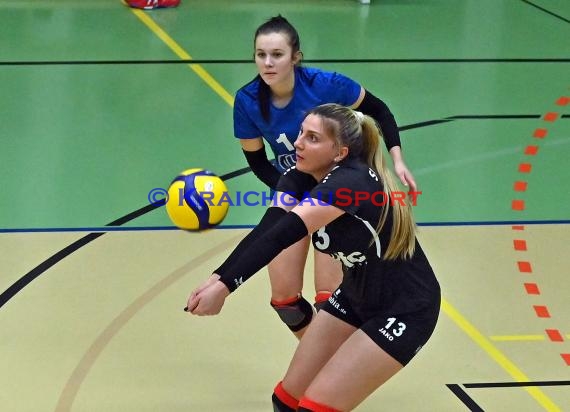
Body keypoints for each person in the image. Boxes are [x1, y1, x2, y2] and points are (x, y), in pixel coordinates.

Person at [186, 103, 440, 411]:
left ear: (340, 153)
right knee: (285, 400)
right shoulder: (300, 175)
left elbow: (283, 235)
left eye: (313, 138)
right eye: (301, 133)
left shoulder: (350, 185)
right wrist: (218, 279)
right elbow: (268, 229)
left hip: (405, 309)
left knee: (314, 408)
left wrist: (225, 289)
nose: (298, 143)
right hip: (354, 297)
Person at [233, 15, 417, 338]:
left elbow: (380, 110)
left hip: (339, 195)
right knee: (285, 302)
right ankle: (320, 359)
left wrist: (397, 159)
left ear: (295, 58)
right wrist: (292, 194)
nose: (267, 62)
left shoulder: (326, 85)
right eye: (261, 54)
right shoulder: (248, 101)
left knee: (331, 302)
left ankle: (334, 370)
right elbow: (259, 163)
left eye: (277, 54)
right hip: (299, 193)